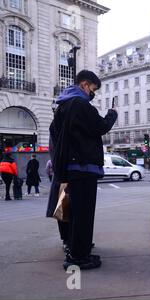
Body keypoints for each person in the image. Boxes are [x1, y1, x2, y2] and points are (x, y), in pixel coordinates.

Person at [48, 70, 117, 270]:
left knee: (74, 213)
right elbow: (100, 127)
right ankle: (78, 257)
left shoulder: (62, 106)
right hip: (83, 167)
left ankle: (79, 251)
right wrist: (112, 114)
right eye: (93, 89)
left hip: (69, 167)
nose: (92, 94)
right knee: (84, 213)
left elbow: (54, 132)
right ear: (85, 84)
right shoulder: (79, 104)